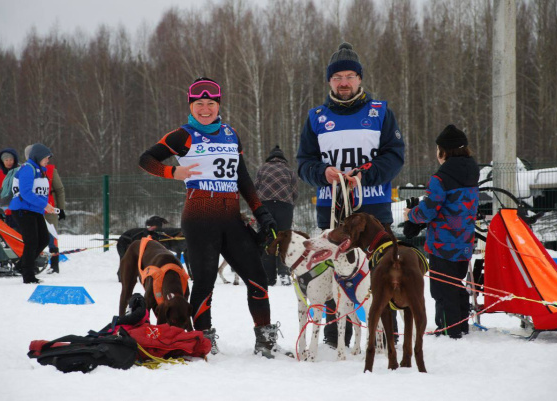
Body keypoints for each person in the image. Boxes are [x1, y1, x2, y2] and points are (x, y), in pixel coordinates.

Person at [139, 77, 289, 358]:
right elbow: (146, 159)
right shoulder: (182, 135)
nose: (205, 109)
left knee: (257, 277)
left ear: (218, 105)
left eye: (210, 103)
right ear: (190, 106)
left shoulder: (231, 133)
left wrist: (261, 211)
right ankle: (204, 339)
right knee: (205, 282)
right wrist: (172, 172)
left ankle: (265, 341)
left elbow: (242, 177)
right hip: (199, 218)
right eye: (199, 104)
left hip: (231, 217)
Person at [297, 42, 405, 348]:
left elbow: (394, 156)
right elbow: (304, 163)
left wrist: (364, 174)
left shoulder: (380, 112)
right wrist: (323, 173)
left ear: (359, 79)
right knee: (334, 272)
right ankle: (335, 338)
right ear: (329, 82)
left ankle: (386, 335)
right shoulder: (316, 117)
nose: (343, 83)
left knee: (382, 271)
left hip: (373, 208)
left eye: (349, 77)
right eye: (337, 78)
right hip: (332, 208)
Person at [404, 125, 479, 339]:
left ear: (444, 151)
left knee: (441, 288)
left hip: (442, 243)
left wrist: (411, 215)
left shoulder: (441, 178)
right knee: (456, 283)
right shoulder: (472, 172)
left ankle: (448, 330)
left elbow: (428, 210)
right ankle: (461, 326)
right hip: (465, 241)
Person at [9, 143, 57, 284]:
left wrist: (45, 206)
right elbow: (25, 193)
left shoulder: (39, 170)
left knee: (43, 239)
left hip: (34, 209)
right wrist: (45, 205)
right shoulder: (27, 169)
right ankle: (28, 275)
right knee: (32, 241)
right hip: (23, 210)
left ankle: (22, 265)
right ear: (38, 156)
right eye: (46, 157)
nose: (48, 160)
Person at [254, 145, 299, 286]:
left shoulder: (262, 169)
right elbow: (295, 192)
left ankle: (268, 277)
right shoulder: (289, 171)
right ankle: (284, 274)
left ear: (270, 157)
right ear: (282, 158)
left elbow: (255, 188)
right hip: (284, 206)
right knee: (284, 238)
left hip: (264, 206)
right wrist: (288, 203)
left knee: (267, 237)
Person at [25, 145, 66, 274]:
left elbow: (59, 190)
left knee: (52, 236)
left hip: (49, 208)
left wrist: (61, 208)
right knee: (34, 238)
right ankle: (34, 264)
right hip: (32, 209)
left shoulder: (51, 170)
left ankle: (54, 265)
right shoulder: (27, 170)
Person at [0, 148, 20, 229]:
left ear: (14, 160)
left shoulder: (20, 172)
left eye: (11, 160)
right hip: (3, 213)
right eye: (6, 160)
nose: (9, 162)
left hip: (18, 212)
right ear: (2, 161)